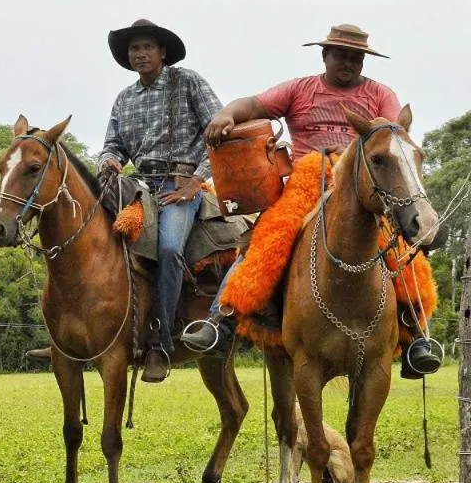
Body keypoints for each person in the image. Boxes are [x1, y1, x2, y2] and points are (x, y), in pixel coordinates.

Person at [187, 24, 441, 378]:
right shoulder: (300, 89)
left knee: (398, 245)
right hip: (307, 177)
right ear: (325, 56)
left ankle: (416, 334)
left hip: (362, 182)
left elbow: (393, 133)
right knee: (266, 237)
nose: (348, 62)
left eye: (356, 57)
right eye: (341, 55)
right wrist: (226, 114)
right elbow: (253, 104)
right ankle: (221, 319)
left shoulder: (380, 95)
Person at [98, 19, 223, 382]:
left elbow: (220, 133)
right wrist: (109, 161)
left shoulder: (188, 82)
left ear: (163, 52)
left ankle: (160, 343)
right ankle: (79, 333)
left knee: (168, 248)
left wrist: (196, 181)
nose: (140, 54)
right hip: (137, 185)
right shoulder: (124, 99)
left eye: (147, 47)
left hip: (181, 183)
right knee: (86, 237)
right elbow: (112, 145)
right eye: (134, 48)